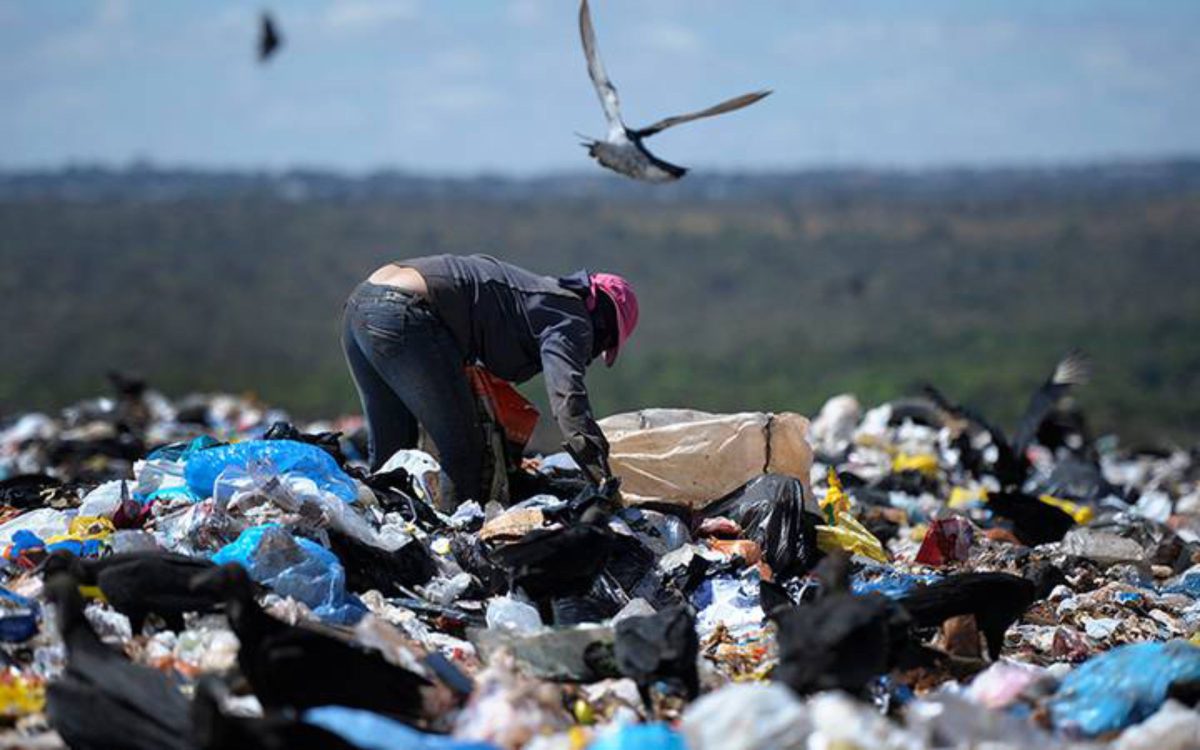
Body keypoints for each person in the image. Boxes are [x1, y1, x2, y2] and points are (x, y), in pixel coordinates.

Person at [341, 254, 638, 508]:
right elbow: (568, 401)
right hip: (402, 313)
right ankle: (458, 536)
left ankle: (379, 525)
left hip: (360, 306)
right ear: (603, 320)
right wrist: (601, 477)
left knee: (392, 451)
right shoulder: (573, 319)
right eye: (604, 343)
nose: (592, 354)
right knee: (464, 450)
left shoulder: (539, 298)